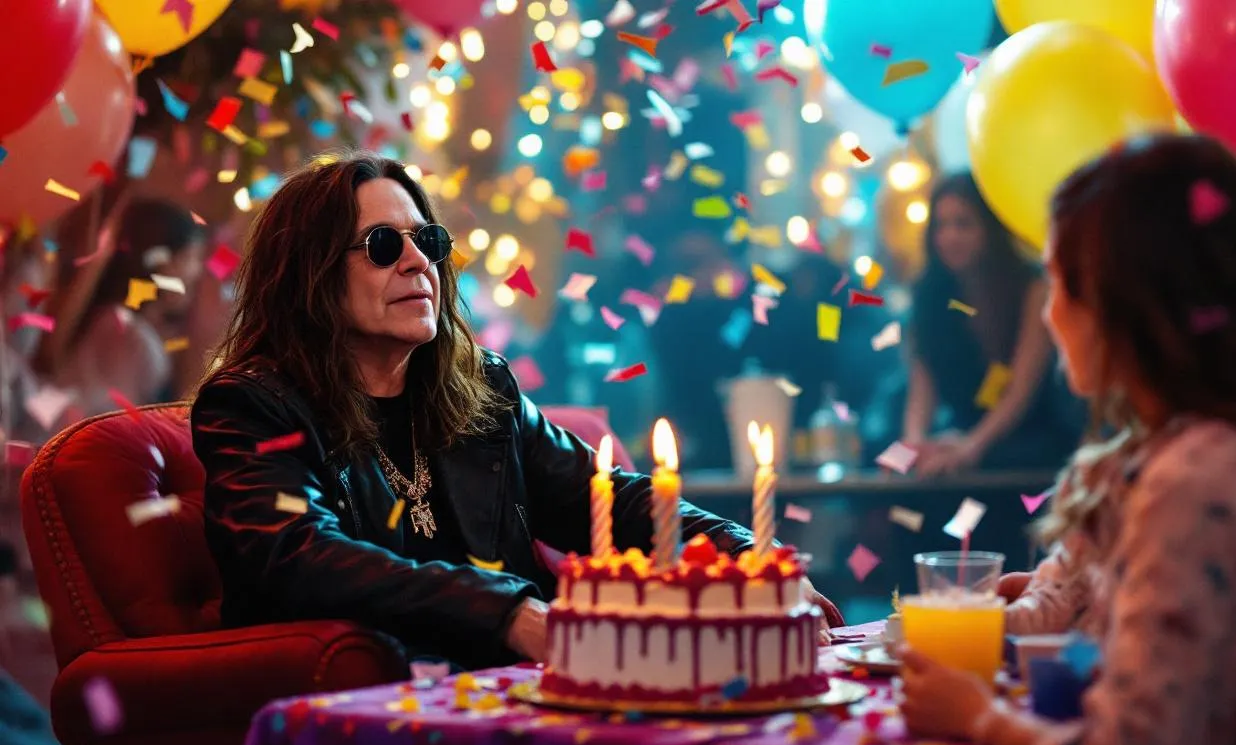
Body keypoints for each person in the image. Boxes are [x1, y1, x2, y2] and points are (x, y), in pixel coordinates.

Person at [191, 151, 842, 670]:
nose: (419, 261)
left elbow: (609, 500)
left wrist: (748, 556)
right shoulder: (252, 407)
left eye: (429, 241)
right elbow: (298, 557)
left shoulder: (482, 391)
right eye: (385, 245)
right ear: (311, 273)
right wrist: (506, 611)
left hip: (514, 692)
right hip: (374, 709)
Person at [898, 134, 1236, 745]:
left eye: (1060, 283)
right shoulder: (1219, 444)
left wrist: (978, 717)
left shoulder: (1201, 476)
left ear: (1123, 303)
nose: (1052, 315)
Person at [903, 173, 1078, 476]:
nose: (949, 237)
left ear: (990, 227)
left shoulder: (1032, 289)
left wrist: (971, 448)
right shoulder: (929, 294)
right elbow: (923, 386)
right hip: (960, 439)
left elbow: (1021, 390)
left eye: (963, 224)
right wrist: (915, 445)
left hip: (1027, 444)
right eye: (941, 226)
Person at [39, 198, 207, 422]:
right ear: (159, 262)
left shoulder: (116, 321)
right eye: (190, 257)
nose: (197, 272)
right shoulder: (128, 334)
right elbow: (109, 420)